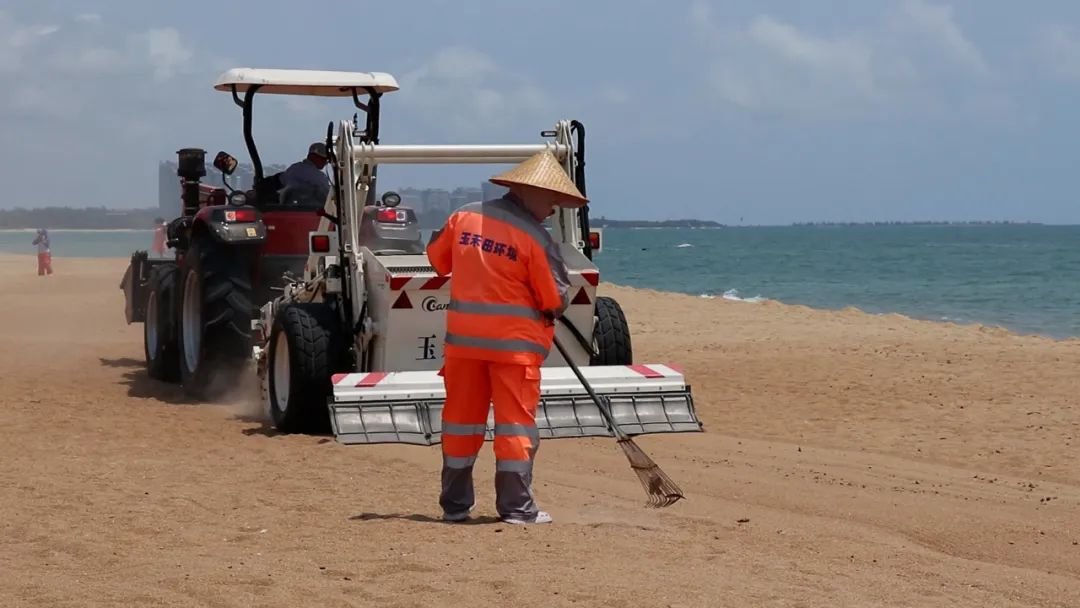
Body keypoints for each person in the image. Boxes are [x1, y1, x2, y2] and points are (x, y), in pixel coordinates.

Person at [426, 150, 587, 525]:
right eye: (552, 201)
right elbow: (554, 298)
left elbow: (437, 260)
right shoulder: (535, 237)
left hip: (464, 346)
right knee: (515, 426)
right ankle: (516, 508)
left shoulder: (463, 216)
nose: (552, 210)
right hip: (515, 350)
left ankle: (455, 506)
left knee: (460, 424)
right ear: (529, 192)